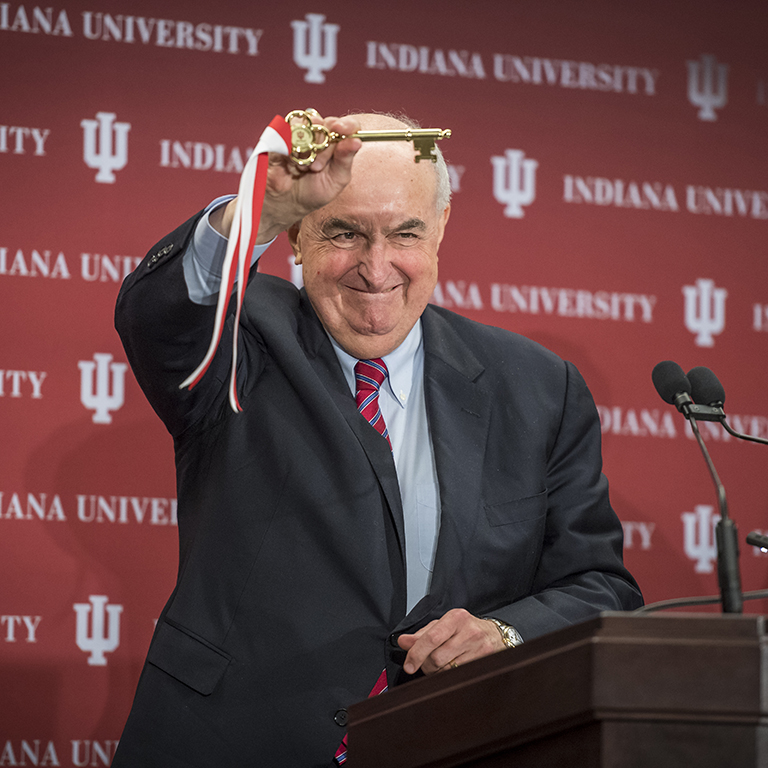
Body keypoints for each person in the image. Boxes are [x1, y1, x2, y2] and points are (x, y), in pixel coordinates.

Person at [112, 111, 642, 767]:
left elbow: (599, 586)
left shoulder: (538, 387)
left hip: (451, 744)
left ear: (442, 229)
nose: (376, 267)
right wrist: (258, 210)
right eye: (344, 232)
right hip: (231, 743)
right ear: (297, 239)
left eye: (405, 233)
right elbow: (161, 313)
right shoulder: (238, 337)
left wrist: (505, 632)